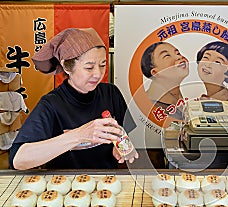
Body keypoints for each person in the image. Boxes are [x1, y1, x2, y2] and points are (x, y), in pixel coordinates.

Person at [9, 28, 138, 170]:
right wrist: (80, 135)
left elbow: (125, 131)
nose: (98, 74)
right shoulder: (51, 104)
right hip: (64, 186)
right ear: (67, 67)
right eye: (89, 68)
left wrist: (121, 146)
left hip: (106, 182)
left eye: (102, 65)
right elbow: (18, 159)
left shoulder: (111, 93)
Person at [141, 42, 189, 119]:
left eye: (177, 53)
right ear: (155, 72)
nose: (179, 57)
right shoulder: (150, 106)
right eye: (167, 55)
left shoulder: (178, 102)